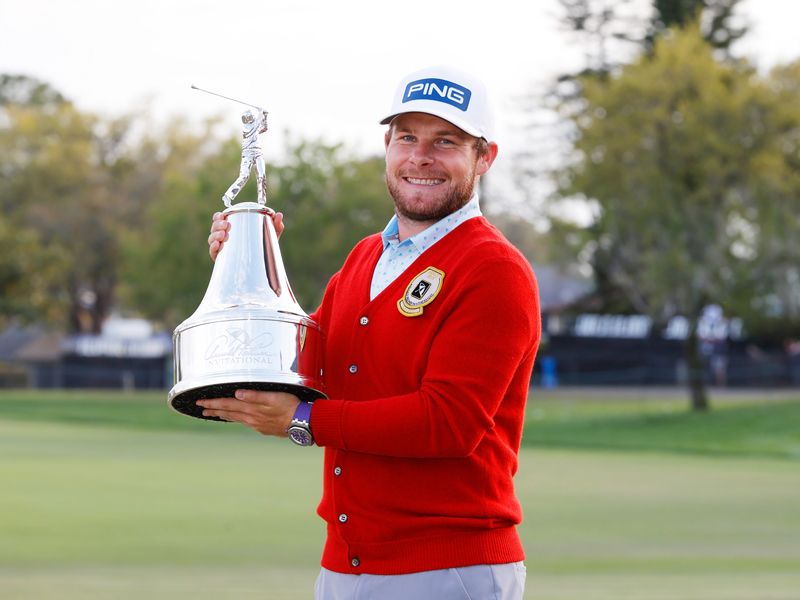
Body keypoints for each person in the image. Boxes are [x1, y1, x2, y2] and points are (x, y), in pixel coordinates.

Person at [202, 66, 541, 600]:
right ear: (387, 145)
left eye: (445, 142)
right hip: (346, 564)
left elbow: (447, 422)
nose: (420, 157)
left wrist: (303, 421)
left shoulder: (494, 268)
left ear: (485, 157)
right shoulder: (365, 256)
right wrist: (248, 261)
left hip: (447, 568)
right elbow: (305, 367)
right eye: (407, 137)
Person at [222, 107, 269, 206]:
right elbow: (258, 122)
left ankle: (261, 201)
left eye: (249, 117)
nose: (248, 119)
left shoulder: (255, 126)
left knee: (261, 176)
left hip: (258, 153)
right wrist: (261, 112)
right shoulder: (248, 128)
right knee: (244, 176)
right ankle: (228, 196)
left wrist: (265, 116)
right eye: (247, 118)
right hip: (247, 154)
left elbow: (264, 128)